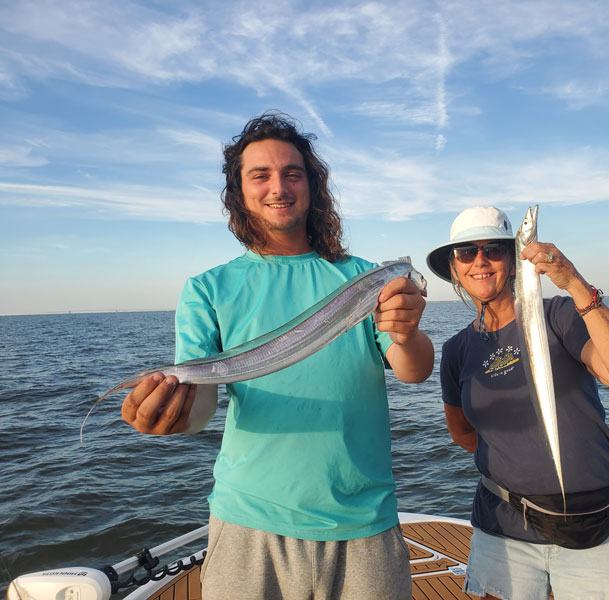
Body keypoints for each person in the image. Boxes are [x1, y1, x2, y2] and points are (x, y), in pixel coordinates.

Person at [121, 111, 434, 600]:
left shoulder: (365, 278)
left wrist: (408, 330)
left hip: (364, 519)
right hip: (250, 520)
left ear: (313, 185)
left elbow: (413, 371)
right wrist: (172, 415)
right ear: (239, 191)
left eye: (293, 173)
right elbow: (202, 408)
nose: (278, 187)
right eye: (260, 175)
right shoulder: (209, 288)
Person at [426, 206, 609, 600]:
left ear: (512, 259)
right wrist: (519, 458)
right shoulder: (456, 349)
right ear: (454, 268)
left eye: (493, 249)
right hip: (503, 530)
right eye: (466, 253)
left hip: (594, 526)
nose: (480, 260)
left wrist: (575, 283)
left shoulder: (560, 315)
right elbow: (461, 432)